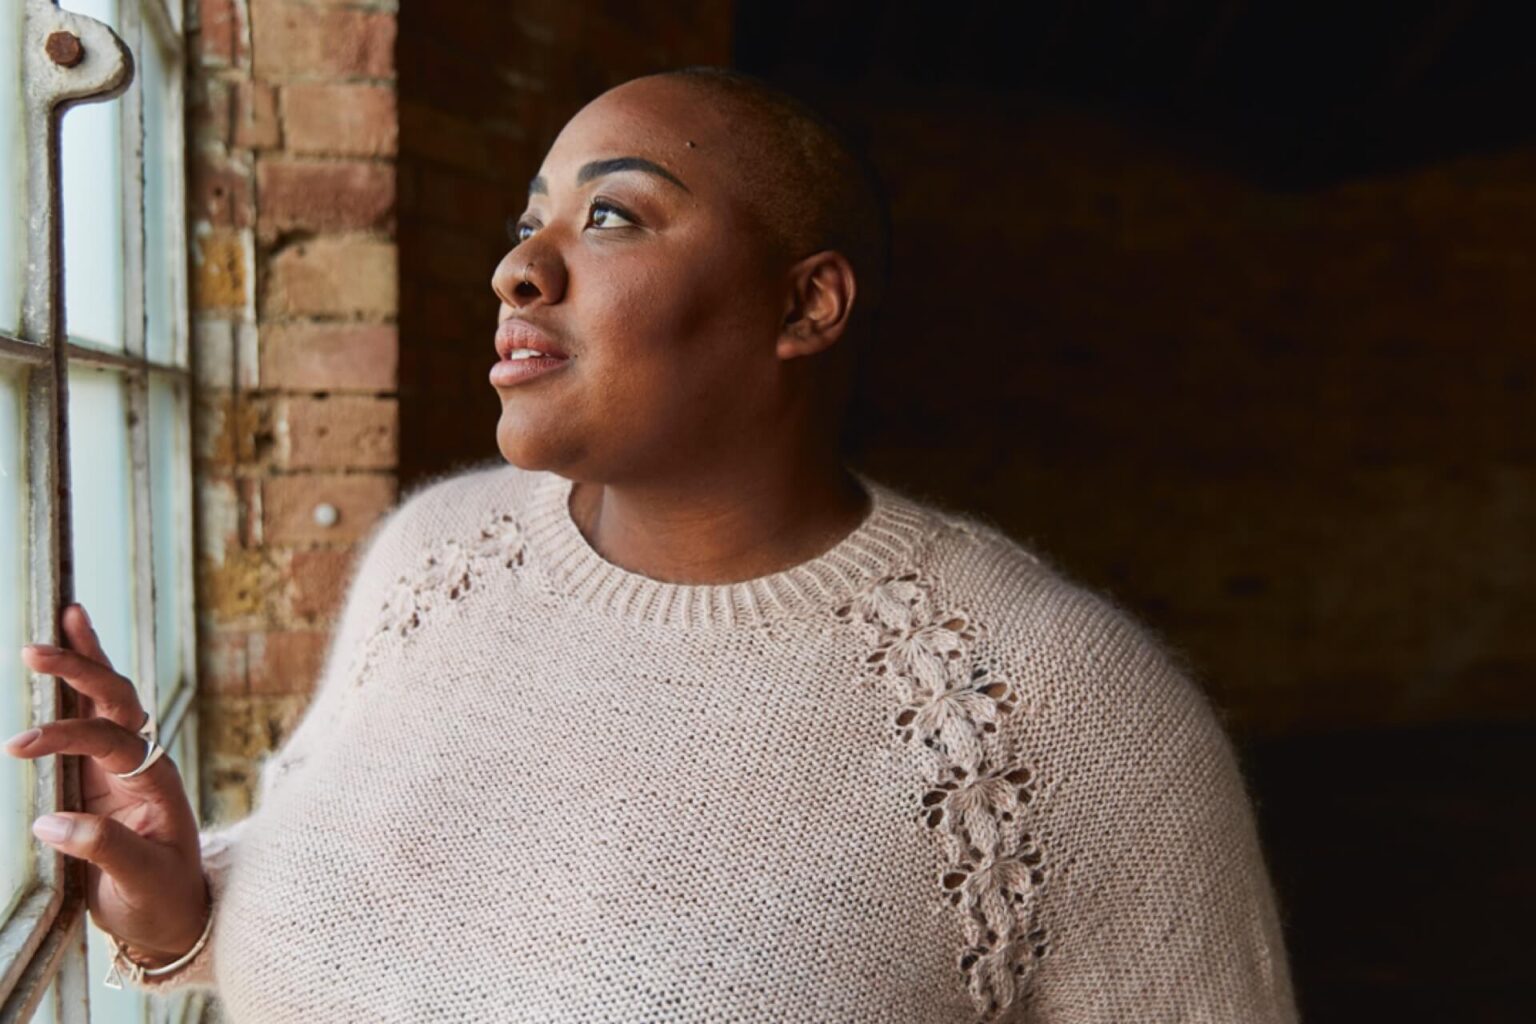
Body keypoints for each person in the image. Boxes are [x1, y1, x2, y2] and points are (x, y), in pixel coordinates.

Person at [6, 66, 1299, 1022]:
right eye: (528, 221)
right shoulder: (435, 558)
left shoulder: (1058, 714)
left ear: (807, 303)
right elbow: (382, 946)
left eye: (613, 216)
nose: (521, 269)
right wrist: (183, 907)